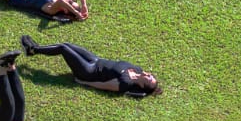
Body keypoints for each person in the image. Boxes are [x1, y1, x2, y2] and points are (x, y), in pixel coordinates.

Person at [20, 35, 161, 96]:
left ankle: (33, 50)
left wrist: (84, 82)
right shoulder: (137, 69)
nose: (149, 74)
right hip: (95, 60)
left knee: (63, 48)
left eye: (149, 79)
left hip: (88, 72)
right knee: (67, 44)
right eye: (151, 76)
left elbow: (103, 85)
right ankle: (36, 49)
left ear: (142, 85)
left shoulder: (125, 83)